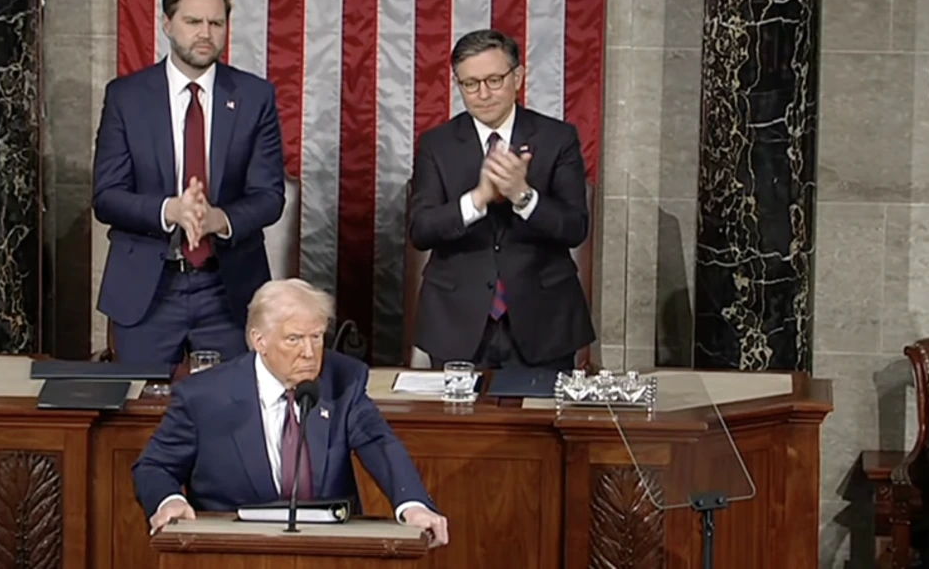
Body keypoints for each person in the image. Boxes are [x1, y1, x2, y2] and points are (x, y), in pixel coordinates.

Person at [133, 279, 449, 548]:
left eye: (317, 337)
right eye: (294, 339)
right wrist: (168, 500)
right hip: (233, 551)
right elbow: (154, 466)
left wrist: (413, 505)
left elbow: (379, 444)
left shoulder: (342, 379)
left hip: (328, 551)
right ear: (259, 340)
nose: (310, 353)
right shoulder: (203, 396)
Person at [93, 0, 285, 370]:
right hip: (148, 288)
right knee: (139, 415)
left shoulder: (254, 96)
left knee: (232, 416)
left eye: (216, 23)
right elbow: (107, 196)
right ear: (167, 24)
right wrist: (171, 211)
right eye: (193, 22)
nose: (205, 34)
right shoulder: (126, 97)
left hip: (228, 289)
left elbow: (269, 196)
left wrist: (220, 218)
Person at [408, 29, 595, 372]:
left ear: (518, 77)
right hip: (456, 321)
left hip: (544, 320)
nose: (483, 94)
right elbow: (421, 230)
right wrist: (478, 199)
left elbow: (575, 228)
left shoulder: (558, 138)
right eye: (470, 84)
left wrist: (522, 196)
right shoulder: (437, 144)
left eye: (494, 80)